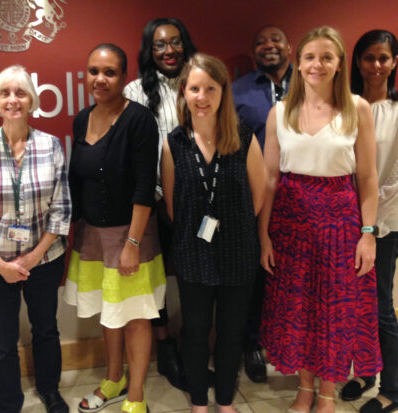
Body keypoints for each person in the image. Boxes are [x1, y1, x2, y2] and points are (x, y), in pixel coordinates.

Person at [259, 26, 381, 413]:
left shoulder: (357, 108)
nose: (317, 65)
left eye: (327, 57)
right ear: (299, 60)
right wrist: (263, 235)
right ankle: (305, 389)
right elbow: (269, 178)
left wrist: (368, 233)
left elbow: (367, 178)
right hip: (291, 223)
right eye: (310, 57)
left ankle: (328, 392)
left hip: (342, 224)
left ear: (340, 63)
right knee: (298, 308)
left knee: (335, 310)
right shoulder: (280, 112)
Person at [0, 65, 72, 413]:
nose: (13, 100)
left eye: (20, 93)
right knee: (1, 339)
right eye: (5, 93)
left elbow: (62, 209)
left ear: (31, 100)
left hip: (45, 258)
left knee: (46, 330)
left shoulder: (50, 146)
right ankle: (9, 402)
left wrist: (35, 256)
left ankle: (50, 390)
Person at [64, 44, 166, 413]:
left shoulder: (139, 119)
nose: (100, 79)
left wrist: (133, 242)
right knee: (110, 311)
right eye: (93, 71)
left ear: (124, 78)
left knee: (136, 316)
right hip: (93, 234)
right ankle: (113, 379)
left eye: (109, 72)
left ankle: (136, 395)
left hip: (130, 234)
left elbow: (144, 185)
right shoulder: (81, 119)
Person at [161, 53, 265, 413]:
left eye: (210, 88)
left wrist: (231, 227)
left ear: (223, 92)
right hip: (192, 251)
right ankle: (199, 401)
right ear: (183, 94)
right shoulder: (173, 143)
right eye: (194, 88)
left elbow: (259, 194)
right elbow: (173, 205)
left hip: (239, 251)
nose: (201, 97)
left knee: (231, 331)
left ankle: (224, 399)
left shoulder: (245, 138)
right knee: (195, 329)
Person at [339, 29, 398, 413]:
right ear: (357, 61)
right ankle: (365, 373)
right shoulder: (345, 107)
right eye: (368, 58)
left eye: (383, 58)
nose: (376, 65)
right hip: (342, 224)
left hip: (382, 227)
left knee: (381, 307)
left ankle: (393, 390)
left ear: (395, 61)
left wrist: (366, 219)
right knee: (353, 305)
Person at [123, 17, 197, 390]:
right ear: (149, 51)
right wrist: (156, 197)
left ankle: (194, 347)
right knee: (156, 281)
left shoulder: (201, 81)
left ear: (185, 43)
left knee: (193, 277)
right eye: (159, 45)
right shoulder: (136, 91)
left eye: (175, 42)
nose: (169, 51)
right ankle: (165, 346)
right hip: (154, 202)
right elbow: (135, 152)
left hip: (200, 203)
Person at [231, 24, 293, 383]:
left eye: (275, 39)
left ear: (290, 46)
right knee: (256, 274)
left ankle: (291, 344)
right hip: (254, 198)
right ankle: (253, 344)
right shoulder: (239, 92)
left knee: (297, 276)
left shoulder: (313, 88)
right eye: (260, 41)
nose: (268, 45)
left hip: (304, 197)